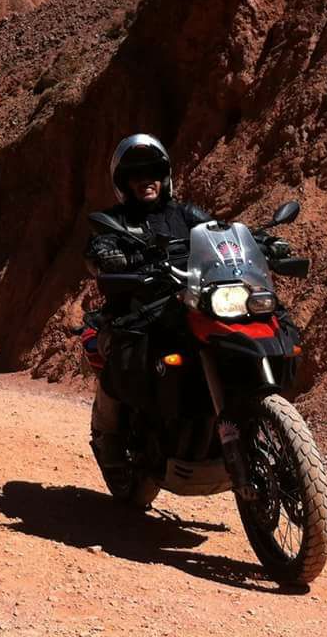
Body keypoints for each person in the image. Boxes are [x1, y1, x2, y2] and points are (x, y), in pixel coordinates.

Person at [83, 134, 212, 496]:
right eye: (136, 173)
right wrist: (106, 257)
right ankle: (109, 440)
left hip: (186, 307)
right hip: (135, 317)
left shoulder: (186, 214)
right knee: (120, 363)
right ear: (124, 182)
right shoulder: (114, 221)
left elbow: (219, 232)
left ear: (165, 174)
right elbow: (97, 248)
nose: (147, 179)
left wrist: (258, 240)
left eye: (153, 170)